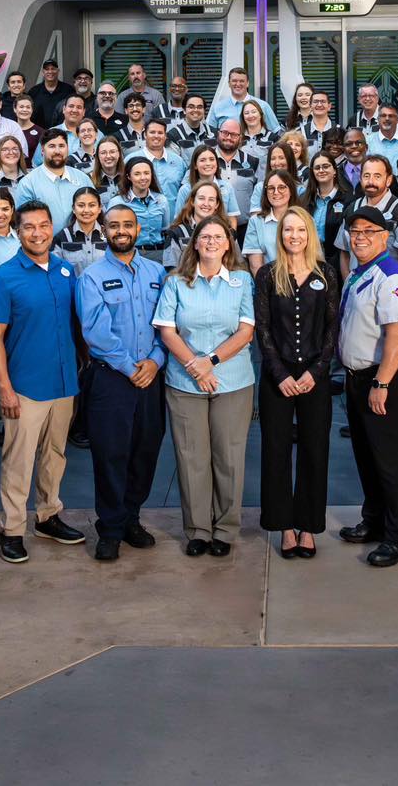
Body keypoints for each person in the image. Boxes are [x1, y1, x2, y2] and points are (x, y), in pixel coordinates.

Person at [0, 202, 88, 562]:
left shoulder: (64, 270)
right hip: (25, 386)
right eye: (29, 227)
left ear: (51, 227)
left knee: (55, 454)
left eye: (43, 225)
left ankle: (48, 516)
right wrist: (4, 388)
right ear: (18, 231)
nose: (38, 233)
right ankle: (12, 529)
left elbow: (75, 324)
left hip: (64, 382)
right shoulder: (4, 278)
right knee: (19, 460)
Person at [153, 213, 256, 557]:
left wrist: (208, 362)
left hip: (232, 381)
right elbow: (167, 330)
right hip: (185, 382)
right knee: (191, 457)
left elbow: (246, 331)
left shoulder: (242, 281)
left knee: (228, 457)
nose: (211, 242)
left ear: (228, 245)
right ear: (195, 243)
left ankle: (225, 529)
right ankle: (198, 530)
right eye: (205, 237)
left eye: (218, 237)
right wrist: (195, 367)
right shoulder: (176, 282)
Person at [72, 204, 169, 563]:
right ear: (104, 230)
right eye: (114, 226)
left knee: (146, 450)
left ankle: (131, 519)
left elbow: (167, 323)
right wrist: (131, 368)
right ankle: (110, 529)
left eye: (128, 225)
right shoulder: (91, 277)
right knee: (111, 454)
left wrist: (155, 361)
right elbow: (96, 333)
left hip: (151, 376)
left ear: (138, 229)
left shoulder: (157, 273)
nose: (121, 231)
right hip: (112, 379)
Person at [336, 206, 398, 567]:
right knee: (368, 457)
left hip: (385, 379)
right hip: (359, 379)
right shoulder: (361, 273)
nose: (360, 238)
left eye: (368, 232)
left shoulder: (393, 278)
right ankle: (374, 520)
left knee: (390, 462)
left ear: (385, 237)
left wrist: (382, 382)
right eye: (355, 232)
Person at [253, 206, 336, 560]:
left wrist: (316, 372)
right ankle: (284, 526)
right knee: (276, 451)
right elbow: (263, 328)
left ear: (310, 234)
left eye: (301, 230)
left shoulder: (326, 273)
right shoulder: (268, 275)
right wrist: (280, 374)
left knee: (315, 451)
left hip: (315, 377)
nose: (294, 236)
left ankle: (308, 527)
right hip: (278, 377)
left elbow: (333, 327)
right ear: (280, 235)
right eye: (288, 230)